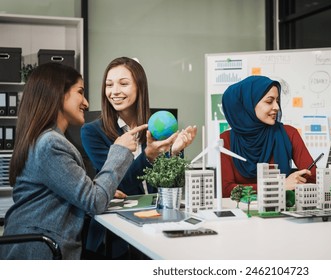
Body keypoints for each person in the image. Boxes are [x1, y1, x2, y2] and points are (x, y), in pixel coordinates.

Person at [0, 63, 146, 259]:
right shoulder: (50, 144)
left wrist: (100, 189)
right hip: (39, 251)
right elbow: (94, 202)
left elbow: (75, 193)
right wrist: (119, 150)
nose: (86, 103)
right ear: (58, 95)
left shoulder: (46, 139)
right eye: (80, 92)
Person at [80, 57, 197, 257]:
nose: (114, 91)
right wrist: (148, 156)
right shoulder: (92, 132)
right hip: (114, 231)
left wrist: (175, 153)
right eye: (109, 85)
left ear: (140, 87)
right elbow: (119, 184)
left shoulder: (159, 125)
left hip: (158, 222)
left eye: (123, 83)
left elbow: (171, 187)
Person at [220, 75, 317, 198]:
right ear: (248, 104)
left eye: (277, 101)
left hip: (281, 213)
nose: (276, 107)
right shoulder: (225, 141)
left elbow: (313, 177)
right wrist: (279, 186)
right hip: (240, 214)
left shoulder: (289, 133)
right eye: (269, 101)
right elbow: (226, 190)